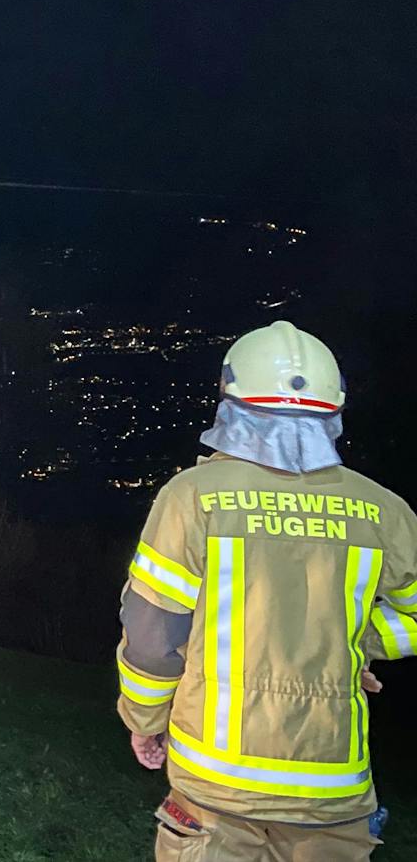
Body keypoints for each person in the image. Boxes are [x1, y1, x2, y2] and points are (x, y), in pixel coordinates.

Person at [117, 320, 417, 860]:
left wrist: (144, 720)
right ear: (335, 409)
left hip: (217, 782)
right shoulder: (384, 511)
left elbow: (153, 634)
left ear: (230, 398)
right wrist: (356, 643)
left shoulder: (193, 497)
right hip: (333, 784)